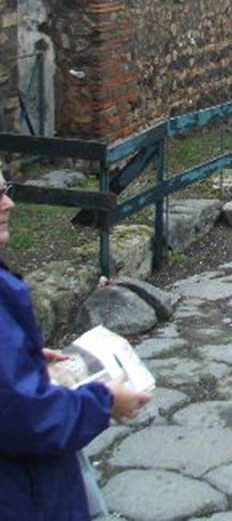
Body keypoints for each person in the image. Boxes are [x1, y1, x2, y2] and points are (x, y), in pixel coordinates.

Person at [0, 168, 151, 521]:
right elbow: (27, 417)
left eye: (5, 190)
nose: (9, 203)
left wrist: (21, 355)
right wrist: (105, 401)